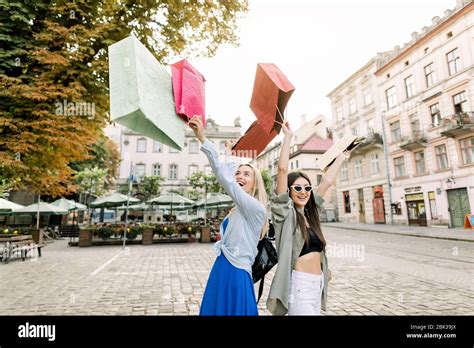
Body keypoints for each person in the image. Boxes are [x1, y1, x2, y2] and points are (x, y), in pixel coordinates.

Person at [267, 121, 351, 315]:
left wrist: (342, 157)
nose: (303, 192)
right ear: (288, 191)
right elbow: (282, 170)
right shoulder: (284, 215)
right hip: (299, 285)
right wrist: (287, 137)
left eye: (307, 188)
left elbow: (328, 181)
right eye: (297, 188)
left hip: (317, 284)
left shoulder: (311, 213)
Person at [188, 115, 268, 316]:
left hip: (237, 273)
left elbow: (227, 181)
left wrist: (203, 140)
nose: (240, 176)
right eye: (238, 173)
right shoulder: (238, 208)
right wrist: (231, 156)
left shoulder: (255, 208)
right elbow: (229, 179)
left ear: (255, 183)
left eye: (246, 174)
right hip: (222, 268)